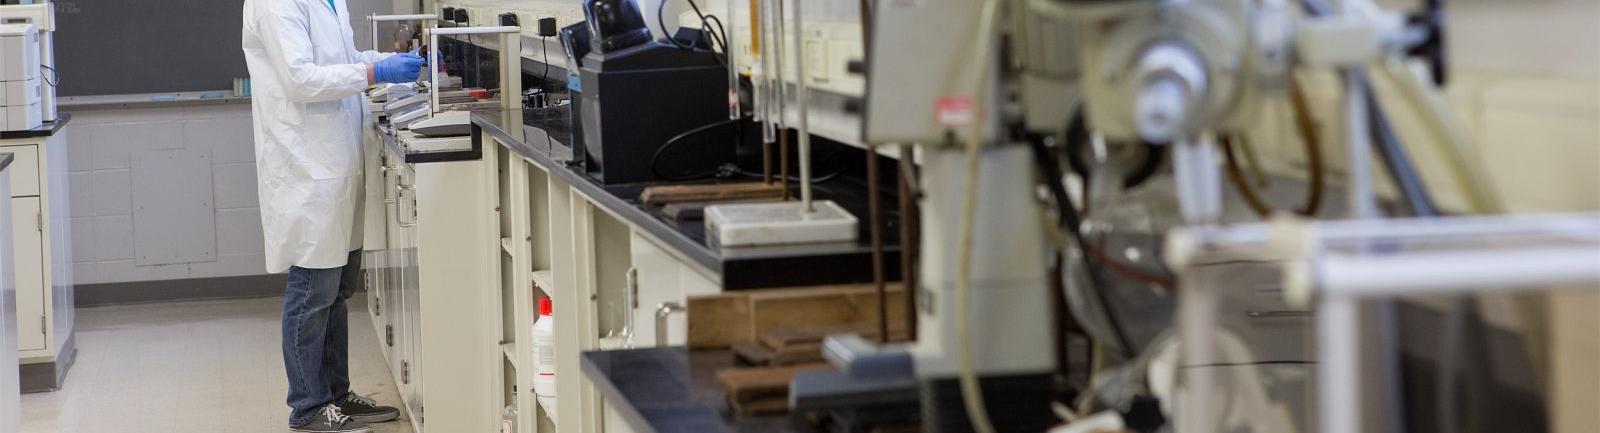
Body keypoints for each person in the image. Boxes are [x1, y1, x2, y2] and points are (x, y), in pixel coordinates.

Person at [241, 0, 425, 431]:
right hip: (306, 164)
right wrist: (375, 74)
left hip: (339, 160)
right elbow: (300, 78)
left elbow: (342, 61)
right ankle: (307, 406)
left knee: (339, 287)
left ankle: (337, 394)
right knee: (312, 289)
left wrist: (383, 60)